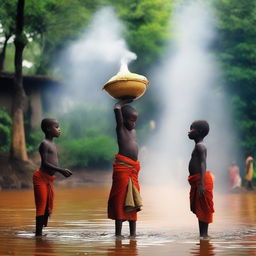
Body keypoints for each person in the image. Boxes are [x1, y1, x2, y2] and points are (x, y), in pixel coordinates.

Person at [108, 99, 142, 238]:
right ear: (123, 119)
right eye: (131, 120)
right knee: (120, 199)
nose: (133, 124)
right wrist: (124, 101)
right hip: (122, 168)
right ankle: (118, 234)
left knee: (133, 199)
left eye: (135, 121)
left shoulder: (133, 132)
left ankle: (133, 234)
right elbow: (116, 108)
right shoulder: (120, 129)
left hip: (133, 170)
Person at [33, 118, 72, 236]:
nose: (59, 129)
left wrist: (60, 171)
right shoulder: (44, 144)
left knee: (45, 206)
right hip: (40, 178)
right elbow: (45, 163)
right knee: (41, 205)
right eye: (56, 127)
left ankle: (40, 236)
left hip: (49, 179)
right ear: (48, 129)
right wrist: (61, 170)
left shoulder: (53, 144)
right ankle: (38, 235)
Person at [188, 120, 214, 239]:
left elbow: (203, 163)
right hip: (198, 180)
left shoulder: (200, 146)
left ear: (199, 132)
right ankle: (202, 236)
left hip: (201, 180)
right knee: (200, 208)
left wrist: (202, 183)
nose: (188, 131)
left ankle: (204, 235)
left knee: (203, 207)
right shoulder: (198, 145)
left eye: (192, 129)